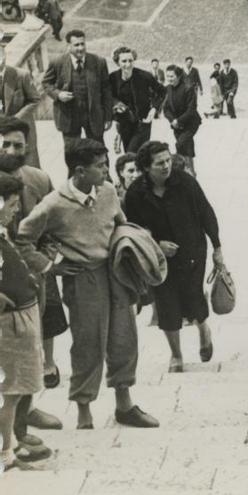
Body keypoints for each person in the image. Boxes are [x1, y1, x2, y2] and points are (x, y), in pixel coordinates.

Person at [16, 138, 158, 430]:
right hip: (83, 280)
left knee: (124, 338)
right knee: (88, 343)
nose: (106, 170)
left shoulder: (107, 192)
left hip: (116, 274)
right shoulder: (53, 204)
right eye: (100, 166)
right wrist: (50, 267)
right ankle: (84, 410)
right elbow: (23, 239)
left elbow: (121, 224)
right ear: (79, 171)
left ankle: (124, 405)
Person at [123, 141, 223, 372]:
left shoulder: (186, 183)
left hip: (192, 252)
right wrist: (157, 246)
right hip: (158, 259)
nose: (167, 166)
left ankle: (203, 329)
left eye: (168, 160)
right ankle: (176, 355)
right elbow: (132, 231)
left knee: (193, 296)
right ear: (146, 167)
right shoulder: (136, 193)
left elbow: (207, 213)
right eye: (160, 163)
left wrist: (217, 248)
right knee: (166, 304)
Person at [0, 121, 64, 462]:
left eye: (18, 145)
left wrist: (48, 258)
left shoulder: (38, 180)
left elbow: (50, 226)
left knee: (30, 350)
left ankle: (24, 418)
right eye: (5, 144)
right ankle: (11, 438)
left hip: (31, 282)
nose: (11, 151)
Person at [0, 174, 43, 471]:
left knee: (18, 389)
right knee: (11, 392)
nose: (16, 210)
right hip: (11, 324)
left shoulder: (2, 231)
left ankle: (12, 444)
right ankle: (6, 452)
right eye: (12, 204)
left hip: (22, 318)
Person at [42, 30, 114, 145]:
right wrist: (58, 94)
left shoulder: (98, 62)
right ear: (68, 46)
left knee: (98, 150)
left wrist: (108, 117)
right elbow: (46, 83)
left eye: (82, 44)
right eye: (76, 45)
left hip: (93, 115)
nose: (80, 48)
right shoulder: (57, 62)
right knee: (72, 152)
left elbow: (106, 90)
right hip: (69, 116)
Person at [109, 47, 166, 153]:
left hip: (143, 121)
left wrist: (154, 108)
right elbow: (108, 96)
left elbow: (162, 91)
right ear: (117, 63)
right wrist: (117, 104)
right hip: (124, 122)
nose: (128, 64)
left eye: (130, 60)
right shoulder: (112, 78)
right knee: (129, 153)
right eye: (124, 61)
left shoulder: (144, 76)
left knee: (135, 152)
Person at [0, 46, 42, 168]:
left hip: (22, 130)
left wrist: (16, 119)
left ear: (4, 59)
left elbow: (35, 100)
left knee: (29, 167)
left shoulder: (21, 75)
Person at [162, 65, 201, 173]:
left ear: (179, 76)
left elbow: (191, 109)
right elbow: (165, 109)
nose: (169, 79)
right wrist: (172, 120)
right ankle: (190, 172)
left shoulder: (188, 88)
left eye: (172, 76)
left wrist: (178, 121)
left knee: (180, 144)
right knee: (186, 146)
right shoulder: (167, 89)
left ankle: (184, 170)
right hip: (175, 124)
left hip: (190, 123)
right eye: (167, 76)